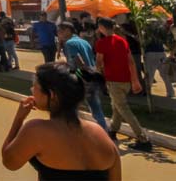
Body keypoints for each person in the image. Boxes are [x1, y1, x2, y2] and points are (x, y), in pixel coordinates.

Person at [1, 62, 120, 180]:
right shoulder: (99, 132)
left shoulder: (36, 130)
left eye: (35, 86)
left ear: (52, 94)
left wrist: (19, 119)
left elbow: (9, 162)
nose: (31, 90)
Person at [95, 17, 152, 151]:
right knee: (116, 106)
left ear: (102, 27)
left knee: (123, 108)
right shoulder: (122, 41)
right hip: (125, 80)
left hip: (113, 81)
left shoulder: (101, 43)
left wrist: (98, 72)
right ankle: (113, 130)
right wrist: (135, 81)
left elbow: (99, 62)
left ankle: (143, 139)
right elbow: (131, 62)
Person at [57, 22, 107, 132]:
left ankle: (74, 132)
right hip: (93, 76)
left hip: (81, 77)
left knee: (70, 105)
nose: (58, 34)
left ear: (67, 30)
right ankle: (104, 132)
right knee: (95, 107)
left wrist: (75, 73)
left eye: (60, 31)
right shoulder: (84, 41)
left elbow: (78, 61)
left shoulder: (69, 43)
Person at [144, 17, 175, 98]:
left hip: (151, 54)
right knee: (164, 74)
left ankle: (148, 93)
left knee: (150, 74)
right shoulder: (161, 31)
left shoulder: (146, 33)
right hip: (161, 53)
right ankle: (170, 92)